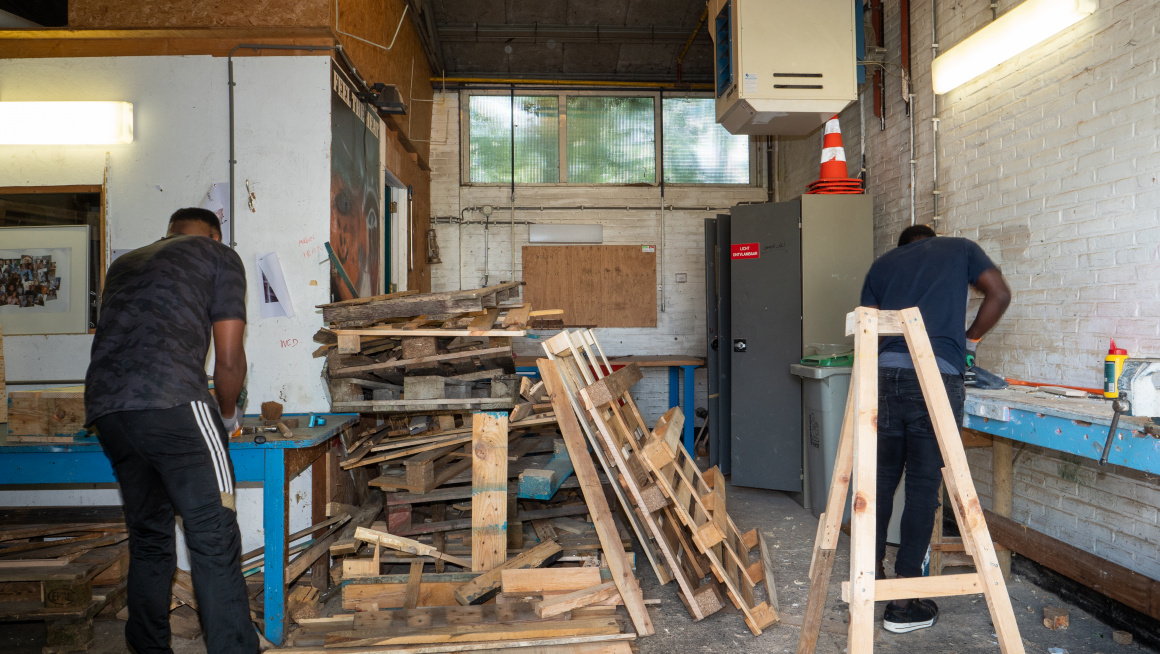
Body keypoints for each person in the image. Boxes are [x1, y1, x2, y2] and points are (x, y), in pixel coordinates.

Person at [85, 207, 256, 654]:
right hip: (175, 401)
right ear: (215, 236)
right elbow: (230, 360)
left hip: (108, 409)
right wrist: (227, 416)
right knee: (213, 533)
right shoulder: (220, 257)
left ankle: (147, 649)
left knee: (149, 536)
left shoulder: (124, 263)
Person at [859, 224, 1011, 634]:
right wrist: (969, 340)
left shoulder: (881, 265)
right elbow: (1000, 294)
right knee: (924, 488)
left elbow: (867, 329)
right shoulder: (958, 248)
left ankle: (870, 581)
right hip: (935, 377)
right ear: (932, 238)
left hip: (883, 378)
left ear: (903, 247)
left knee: (881, 483)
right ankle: (904, 604)